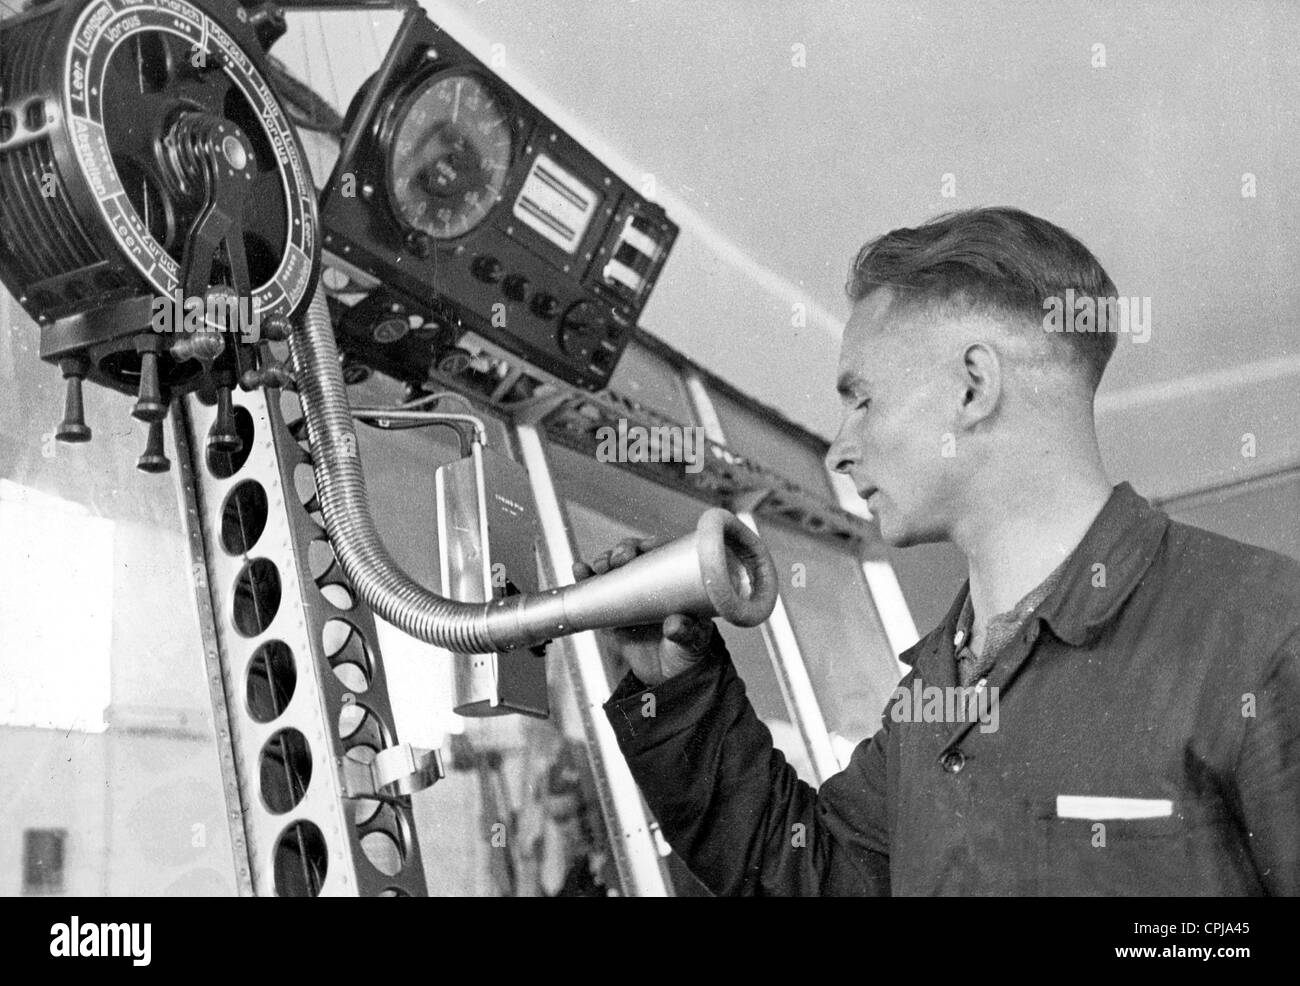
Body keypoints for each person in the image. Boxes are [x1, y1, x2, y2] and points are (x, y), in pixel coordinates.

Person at [575, 206, 1300, 896]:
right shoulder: (938, 688)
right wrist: (678, 688)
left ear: (972, 387)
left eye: (861, 400)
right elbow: (812, 872)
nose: (841, 448)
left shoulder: (1264, 633)